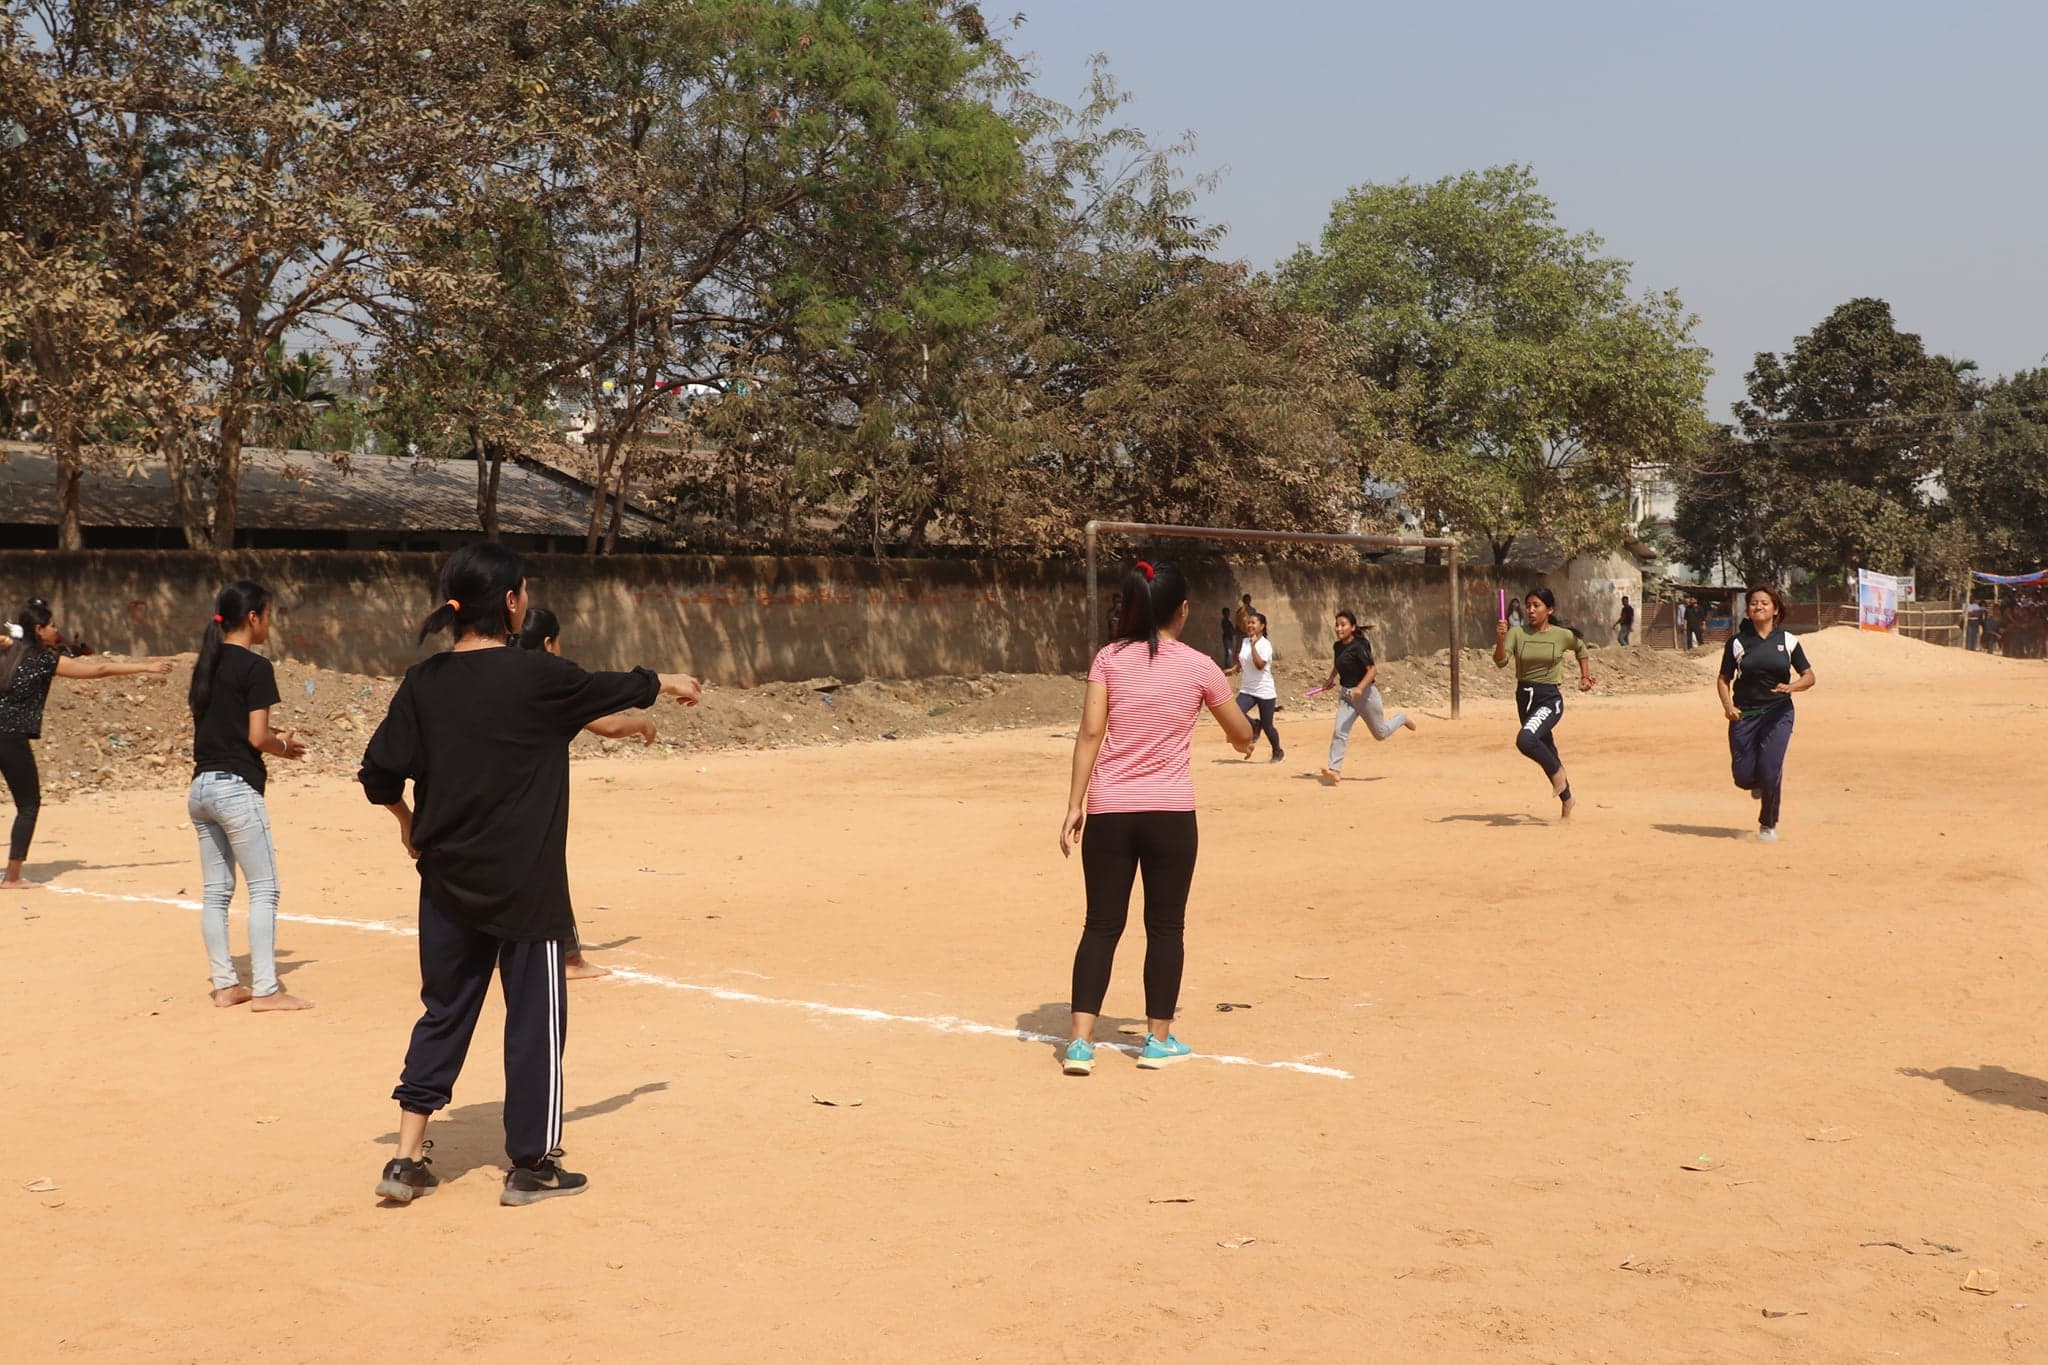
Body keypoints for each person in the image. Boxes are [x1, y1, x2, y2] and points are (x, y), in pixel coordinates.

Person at [360, 542, 701, 1206]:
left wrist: (408, 823)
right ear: (512, 602)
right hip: (524, 886)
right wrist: (670, 680)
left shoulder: (423, 682)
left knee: (444, 1011)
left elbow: (377, 774)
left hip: (447, 883)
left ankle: (404, 1158)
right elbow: (612, 686)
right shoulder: (536, 677)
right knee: (534, 1022)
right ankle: (531, 1164)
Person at [1058, 560, 1254, 1077]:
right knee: (1165, 928)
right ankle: (1157, 1039)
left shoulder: (1107, 660)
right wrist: (1246, 742)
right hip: (1169, 812)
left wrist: (1075, 804)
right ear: (1182, 610)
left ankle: (1080, 1044)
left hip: (1109, 810)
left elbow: (1089, 735)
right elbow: (1238, 730)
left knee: (1100, 925)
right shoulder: (1198, 666)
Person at [516, 605, 660, 980]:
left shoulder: (495, 675)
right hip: (534, 798)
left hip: (490, 798)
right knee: (544, 866)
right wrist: (642, 722)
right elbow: (607, 724)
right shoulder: (551, 684)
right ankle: (567, 958)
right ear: (549, 644)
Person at [188, 581, 313, 1010]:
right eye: (268, 615)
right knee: (264, 889)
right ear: (254, 617)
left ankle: (226, 985)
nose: (269, 623)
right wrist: (285, 747)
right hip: (235, 789)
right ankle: (266, 989)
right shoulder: (255, 668)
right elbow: (257, 737)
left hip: (201, 786)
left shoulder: (206, 662)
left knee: (217, 893)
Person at [0, 598, 174, 889]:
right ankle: (13, 877)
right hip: (11, 738)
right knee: (29, 805)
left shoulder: (10, 653)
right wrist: (147, 666)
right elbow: (99, 670)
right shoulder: (44, 660)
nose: (57, 630)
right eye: (52, 626)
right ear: (39, 629)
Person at [1717, 583, 1815, 844]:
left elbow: (1809, 676)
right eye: (1753, 603)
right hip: (1745, 715)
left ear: (1775, 609)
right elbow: (1723, 678)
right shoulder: (1737, 643)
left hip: (1778, 712)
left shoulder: (1788, 641)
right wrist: (1729, 707)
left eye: (1764, 603)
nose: (1758, 606)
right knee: (1743, 776)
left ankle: (1768, 824)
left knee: (1771, 769)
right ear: (1747, 611)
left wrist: (1792, 687)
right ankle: (1758, 783)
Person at [1493, 587, 1595, 818]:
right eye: (1528, 605)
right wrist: (1501, 640)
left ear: (1549, 609)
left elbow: (1581, 649)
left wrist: (1585, 677)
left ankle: (1558, 773)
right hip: (1524, 698)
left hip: (1549, 699)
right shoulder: (1517, 633)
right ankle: (1568, 799)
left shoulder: (1561, 635)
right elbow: (1500, 662)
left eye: (1536, 606)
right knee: (1546, 748)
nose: (1530, 610)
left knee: (1526, 740)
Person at [1316, 611, 1414, 784]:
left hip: (1366, 695)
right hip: (1347, 695)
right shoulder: (1337, 646)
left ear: (1352, 627)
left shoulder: (1360, 645)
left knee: (1380, 734)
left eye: (1343, 625)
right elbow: (1338, 664)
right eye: (1337, 625)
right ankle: (1334, 770)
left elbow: (1372, 670)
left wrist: (1360, 688)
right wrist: (1330, 679)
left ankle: (1401, 718)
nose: (1339, 628)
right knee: (1339, 731)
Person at [1225, 610, 1282, 763]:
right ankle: (1255, 725)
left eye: (1253, 623)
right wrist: (1234, 668)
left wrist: (1254, 645)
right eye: (1248, 622)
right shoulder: (1244, 641)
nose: (1250, 625)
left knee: (1268, 726)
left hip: (1265, 691)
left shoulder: (1265, 644)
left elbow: (1259, 665)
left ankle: (1278, 751)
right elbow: (1243, 659)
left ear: (1262, 626)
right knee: (1236, 712)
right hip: (1247, 689)